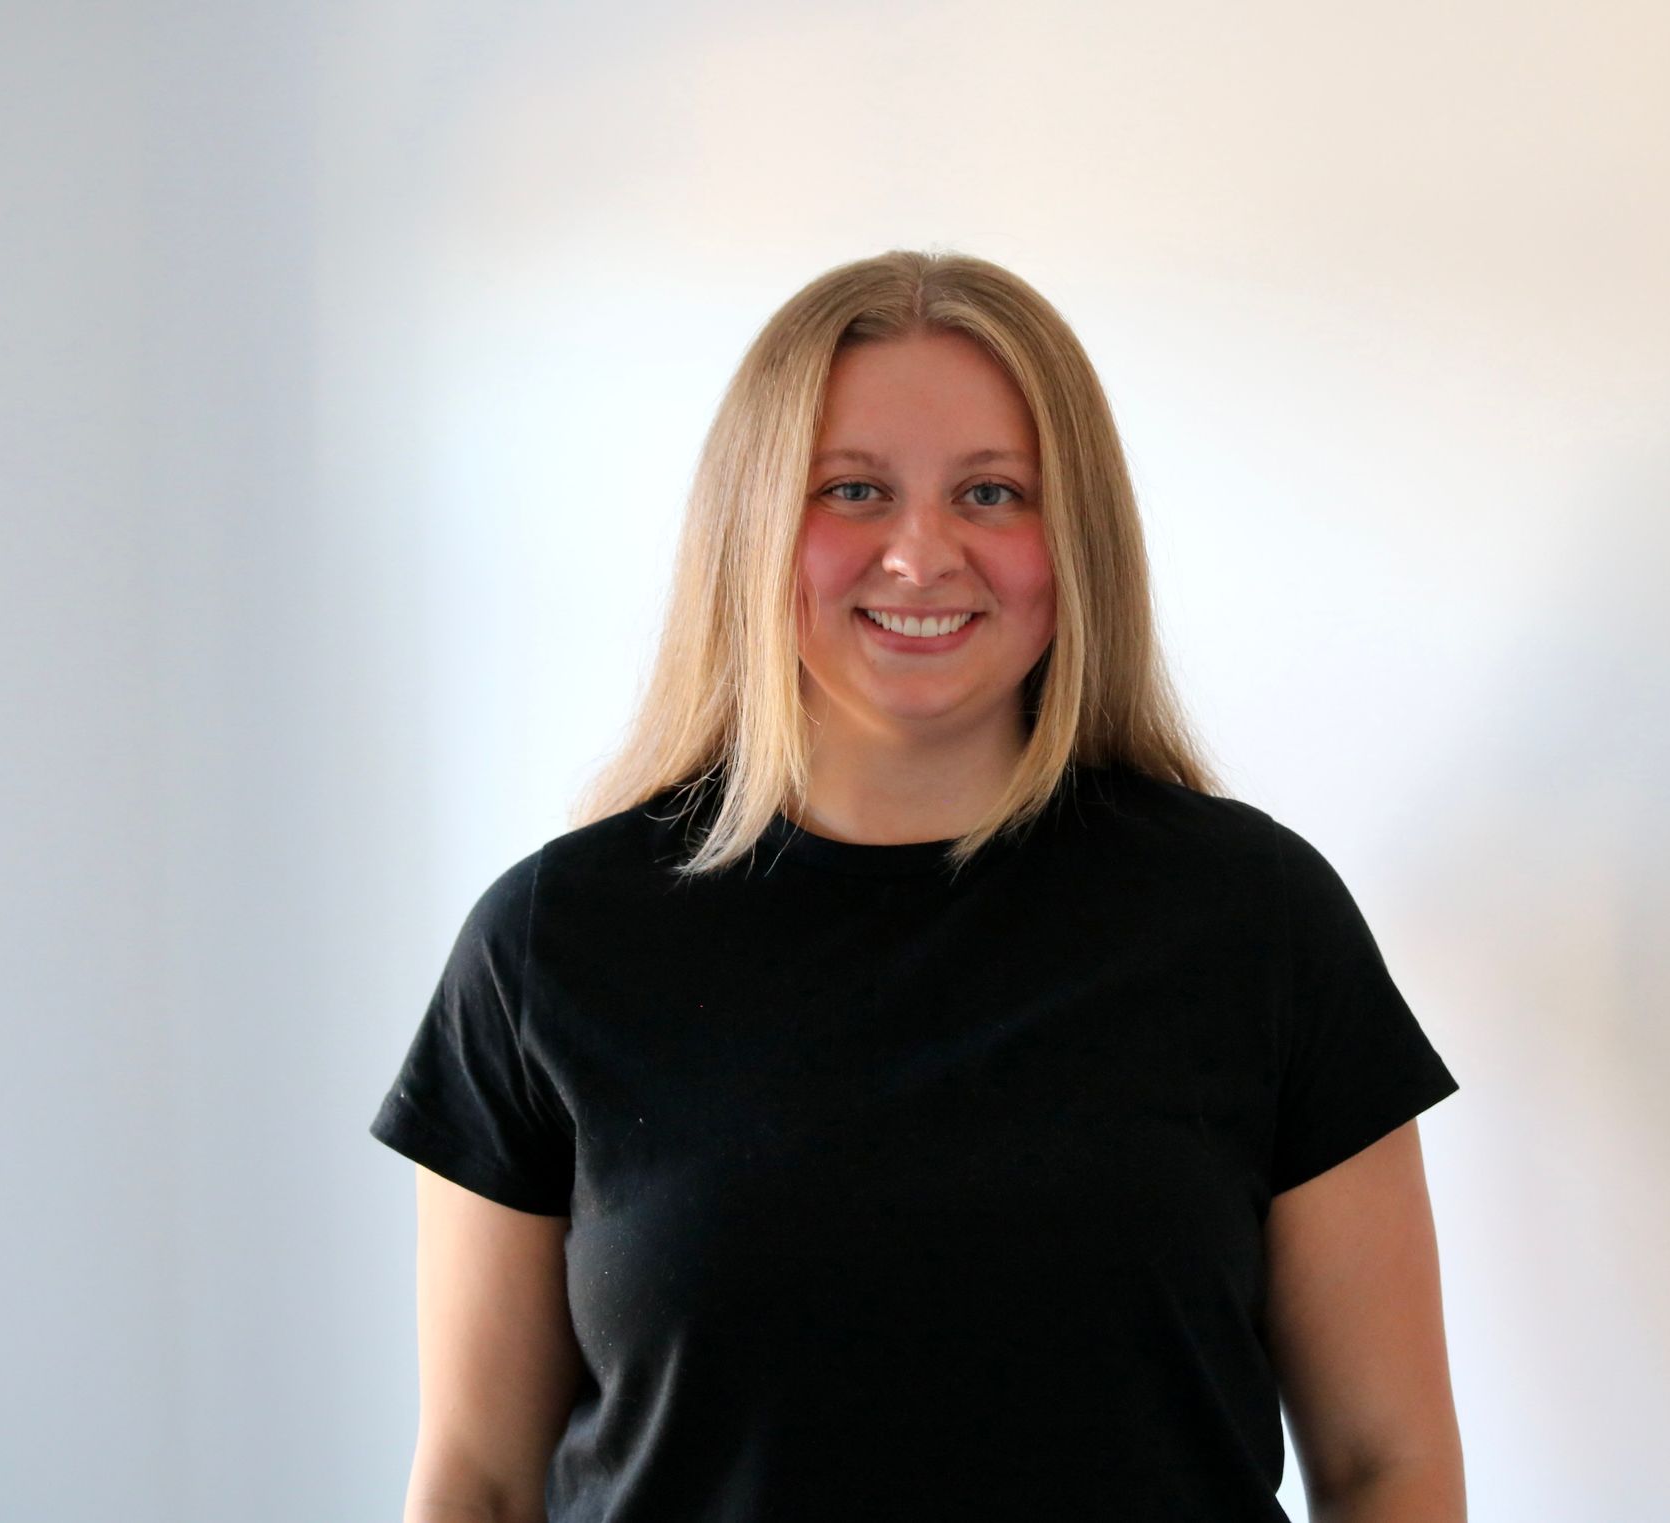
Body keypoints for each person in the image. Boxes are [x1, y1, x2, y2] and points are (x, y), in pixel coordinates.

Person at [368, 249, 1466, 1522]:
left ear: (1076, 540)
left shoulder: (1257, 919)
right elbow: (479, 1480)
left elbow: (1392, 1463)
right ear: (755, 528)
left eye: (993, 492)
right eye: (854, 491)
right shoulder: (549, 945)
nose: (921, 552)